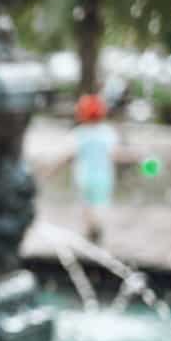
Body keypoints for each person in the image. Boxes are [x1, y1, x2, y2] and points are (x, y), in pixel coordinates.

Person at [45, 93, 126, 244]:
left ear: (81, 114)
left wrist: (52, 169)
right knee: (100, 205)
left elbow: (68, 155)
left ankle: (91, 231)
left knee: (86, 206)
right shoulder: (108, 133)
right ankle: (96, 229)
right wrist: (139, 158)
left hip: (85, 178)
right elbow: (116, 154)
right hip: (104, 178)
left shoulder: (79, 133)